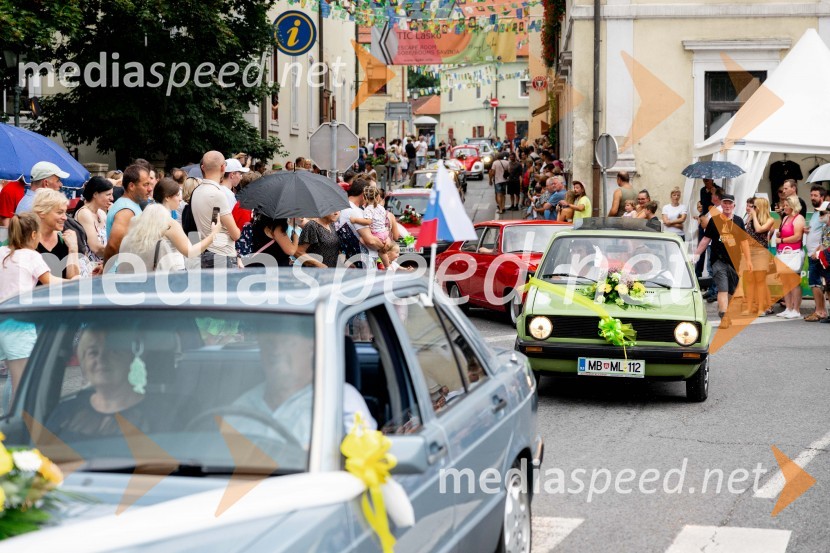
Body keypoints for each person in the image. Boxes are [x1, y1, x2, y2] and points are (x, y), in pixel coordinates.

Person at [231, 328, 376, 446]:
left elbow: (364, 458)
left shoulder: (341, 399)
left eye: (287, 342)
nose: (277, 351)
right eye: (269, 344)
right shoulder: (240, 408)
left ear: (312, 346)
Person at [46, 327, 178, 440]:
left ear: (131, 358)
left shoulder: (165, 414)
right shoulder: (65, 413)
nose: (101, 358)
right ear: (83, 362)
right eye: (93, 352)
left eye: (113, 350)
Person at [1, 213, 73, 409]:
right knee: (21, 382)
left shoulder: (2, 252)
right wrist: (74, 282)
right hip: (18, 322)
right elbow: (50, 282)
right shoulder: (32, 256)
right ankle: (16, 426)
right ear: (34, 235)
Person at [694, 193, 752, 329]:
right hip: (718, 260)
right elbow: (706, 239)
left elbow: (744, 243)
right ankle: (724, 316)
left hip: (734, 261)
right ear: (721, 205)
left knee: (732, 291)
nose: (727, 206)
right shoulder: (714, 221)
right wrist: (696, 254)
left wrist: (748, 261)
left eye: (729, 203)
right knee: (723, 288)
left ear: (734, 206)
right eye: (724, 203)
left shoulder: (738, 221)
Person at [117, 204, 219, 273]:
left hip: (127, 291)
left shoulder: (126, 241)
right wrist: (213, 234)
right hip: (152, 293)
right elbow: (170, 272)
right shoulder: (160, 244)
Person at [190, 151, 241, 269]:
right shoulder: (218, 194)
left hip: (205, 252)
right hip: (222, 254)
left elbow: (214, 220)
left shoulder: (196, 191)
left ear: (202, 167)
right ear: (223, 167)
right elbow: (235, 234)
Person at [104, 164, 152, 264]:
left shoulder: (131, 204)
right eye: (145, 185)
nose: (150, 189)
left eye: (150, 184)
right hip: (121, 275)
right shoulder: (126, 210)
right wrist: (107, 268)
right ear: (131, 186)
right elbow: (113, 245)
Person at [33, 189, 80, 279]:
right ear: (42, 213)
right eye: (59, 212)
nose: (65, 218)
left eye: (65, 212)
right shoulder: (27, 240)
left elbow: (74, 280)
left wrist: (73, 249)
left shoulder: (65, 239)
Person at [773, 195, 806, 319]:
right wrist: (779, 234)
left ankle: (796, 309)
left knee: (793, 282)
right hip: (783, 253)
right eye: (784, 205)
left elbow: (797, 236)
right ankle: (788, 307)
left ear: (793, 206)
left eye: (787, 206)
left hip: (793, 253)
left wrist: (781, 239)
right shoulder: (786, 218)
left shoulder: (799, 218)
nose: (784, 207)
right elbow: (785, 232)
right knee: (785, 281)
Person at [744, 197, 775, 317]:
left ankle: (762, 308)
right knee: (750, 281)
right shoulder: (750, 218)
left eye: (755, 206)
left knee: (760, 281)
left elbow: (759, 229)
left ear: (760, 207)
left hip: (761, 252)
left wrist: (754, 216)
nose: (752, 209)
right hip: (749, 252)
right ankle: (749, 307)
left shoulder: (769, 219)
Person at [803, 186, 828, 321]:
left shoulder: (824, 213)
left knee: (815, 282)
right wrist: (808, 230)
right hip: (813, 253)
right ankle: (821, 310)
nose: (812, 197)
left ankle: (820, 311)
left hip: (818, 254)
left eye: (815, 195)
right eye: (811, 195)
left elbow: (826, 234)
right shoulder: (816, 213)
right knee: (817, 283)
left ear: (822, 198)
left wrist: (818, 250)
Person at [75, 176, 114, 263]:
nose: (112, 198)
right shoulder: (84, 213)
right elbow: (95, 248)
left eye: (112, 194)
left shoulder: (102, 213)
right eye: (108, 194)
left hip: (105, 264)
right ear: (95, 194)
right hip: (91, 268)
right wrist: (118, 253)